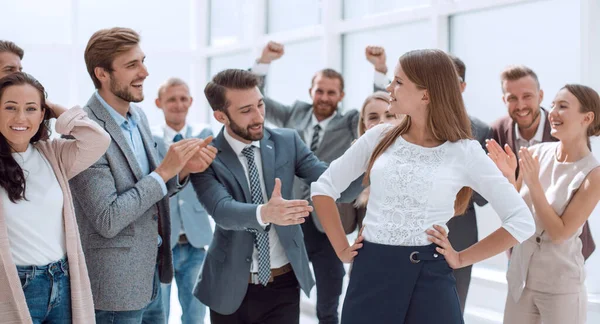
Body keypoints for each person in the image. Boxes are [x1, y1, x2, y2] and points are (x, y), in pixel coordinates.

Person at [310, 49, 535, 324]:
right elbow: (323, 188)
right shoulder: (378, 137)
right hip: (370, 273)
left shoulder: (464, 151)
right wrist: (341, 249)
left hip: (430, 280)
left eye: (399, 82)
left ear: (425, 94)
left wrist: (461, 258)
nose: (390, 88)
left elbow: (521, 221)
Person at [68, 27, 217, 323]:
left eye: (143, 61)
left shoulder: (139, 117)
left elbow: (149, 189)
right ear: (102, 74)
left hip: (150, 278)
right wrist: (164, 171)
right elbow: (108, 218)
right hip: (114, 291)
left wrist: (182, 170)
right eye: (132, 65)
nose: (145, 72)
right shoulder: (84, 131)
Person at [190, 69, 363, 324]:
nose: (259, 116)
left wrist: (370, 168)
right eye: (246, 110)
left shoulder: (287, 142)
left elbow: (332, 184)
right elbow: (222, 211)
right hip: (228, 288)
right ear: (221, 116)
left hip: (283, 285)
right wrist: (265, 213)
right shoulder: (207, 156)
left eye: (260, 104)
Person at [251, 42, 388, 323]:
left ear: (341, 95)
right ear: (311, 91)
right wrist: (264, 62)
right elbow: (256, 98)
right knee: (284, 291)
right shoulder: (294, 114)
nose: (325, 97)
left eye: (331, 92)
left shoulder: (350, 121)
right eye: (320, 90)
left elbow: (380, 109)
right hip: (292, 218)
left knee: (329, 294)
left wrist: (380, 70)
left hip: (327, 221)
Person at [0, 72, 110, 323]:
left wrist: (56, 110)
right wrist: (36, 105)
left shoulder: (53, 154)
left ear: (42, 115)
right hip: (15, 285)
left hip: (61, 279)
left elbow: (98, 140)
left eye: (30, 109)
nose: (20, 118)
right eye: (10, 107)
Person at [487, 84, 600, 324]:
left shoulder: (593, 174)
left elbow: (560, 233)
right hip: (521, 280)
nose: (553, 112)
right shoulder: (536, 153)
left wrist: (534, 184)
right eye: (553, 105)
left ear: (587, 118)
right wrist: (508, 177)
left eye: (563, 106)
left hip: (561, 287)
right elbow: (515, 213)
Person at [490, 65, 595, 259]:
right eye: (512, 98)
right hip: (519, 247)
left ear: (540, 96)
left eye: (527, 96)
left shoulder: (569, 129)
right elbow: (511, 199)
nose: (520, 105)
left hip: (564, 252)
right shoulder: (498, 130)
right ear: (504, 100)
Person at [152, 77, 213, 323]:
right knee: (159, 314)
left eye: (183, 98)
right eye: (171, 99)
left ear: (191, 101)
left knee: (196, 315)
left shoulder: (205, 135)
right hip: (161, 244)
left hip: (196, 240)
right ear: (159, 103)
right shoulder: (150, 138)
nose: (178, 104)